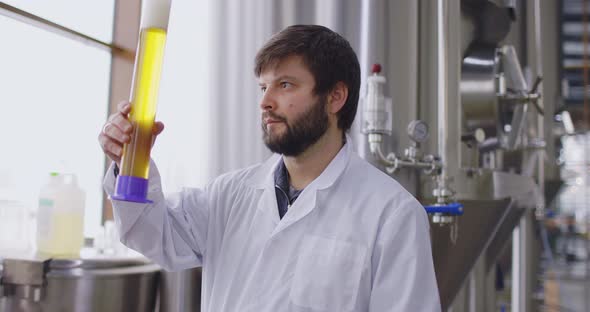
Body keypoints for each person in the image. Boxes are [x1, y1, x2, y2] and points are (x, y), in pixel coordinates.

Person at [99, 25, 440, 312]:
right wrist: (129, 162)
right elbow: (151, 233)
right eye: (263, 87)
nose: (265, 102)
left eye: (285, 85)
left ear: (335, 97)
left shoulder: (393, 215)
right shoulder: (228, 195)